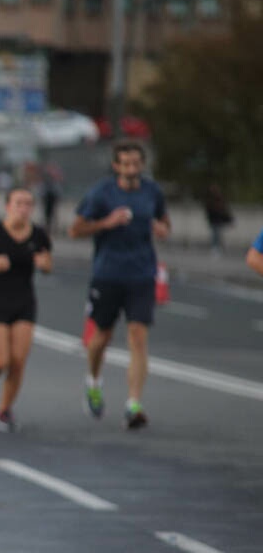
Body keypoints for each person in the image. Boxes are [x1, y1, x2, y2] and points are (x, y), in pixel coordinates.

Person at [69, 142, 170, 430]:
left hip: (141, 274)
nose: (131, 169)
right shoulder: (102, 193)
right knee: (101, 336)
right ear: (116, 166)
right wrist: (106, 223)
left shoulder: (152, 192)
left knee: (138, 336)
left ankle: (133, 404)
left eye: (136, 163)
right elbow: (75, 229)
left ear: (142, 164)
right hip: (107, 273)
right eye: (125, 164)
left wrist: (162, 229)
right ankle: (93, 381)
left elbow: (164, 221)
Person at [0, 187, 52, 432]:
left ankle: (4, 411)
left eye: (28, 203)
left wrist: (44, 264)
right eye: (18, 203)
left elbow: (47, 263)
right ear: (7, 206)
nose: (23, 208)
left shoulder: (38, 235)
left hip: (24, 301)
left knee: (17, 361)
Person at [203, 184, 233, 256]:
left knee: (217, 234)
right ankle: (216, 248)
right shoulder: (212, 199)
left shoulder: (217, 198)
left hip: (217, 219)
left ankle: (217, 247)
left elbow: (223, 209)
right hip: (214, 219)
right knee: (216, 234)